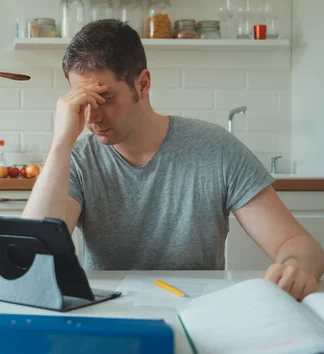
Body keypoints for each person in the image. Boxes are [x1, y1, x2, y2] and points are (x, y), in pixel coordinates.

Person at [22, 19, 324, 301]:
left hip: (198, 309)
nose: (93, 117)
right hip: (108, 314)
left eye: (106, 99)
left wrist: (296, 267)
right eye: (83, 101)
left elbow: (296, 243)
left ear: (143, 84)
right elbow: (29, 258)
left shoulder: (215, 148)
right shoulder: (78, 158)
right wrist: (61, 142)